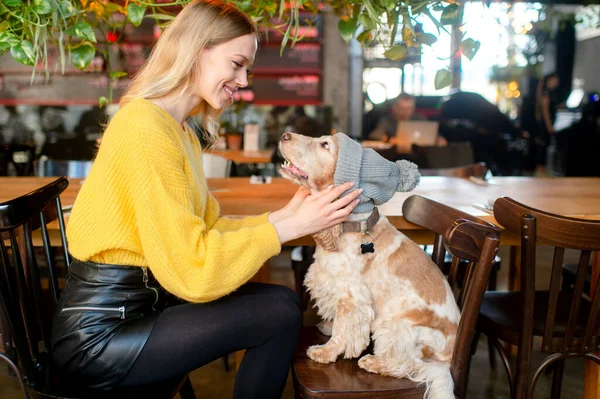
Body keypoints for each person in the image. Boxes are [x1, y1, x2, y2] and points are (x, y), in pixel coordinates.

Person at [50, 1, 361, 398]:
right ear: (197, 51)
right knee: (279, 313)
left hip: (144, 306)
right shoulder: (145, 128)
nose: (244, 80)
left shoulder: (175, 128)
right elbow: (193, 272)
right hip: (101, 335)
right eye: (236, 64)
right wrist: (287, 228)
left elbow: (207, 229)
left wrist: (281, 217)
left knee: (283, 302)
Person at [534, 72, 561, 175]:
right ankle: (542, 170)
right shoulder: (546, 93)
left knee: (544, 145)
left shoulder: (546, 92)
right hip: (546, 123)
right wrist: (549, 126)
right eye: (556, 80)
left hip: (546, 123)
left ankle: (542, 170)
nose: (557, 82)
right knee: (544, 146)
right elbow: (545, 111)